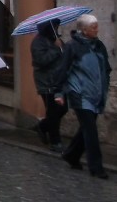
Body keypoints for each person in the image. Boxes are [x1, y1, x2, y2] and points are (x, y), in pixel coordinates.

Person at [55, 13, 111, 179]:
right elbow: (62, 70)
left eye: (97, 26)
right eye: (94, 27)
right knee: (91, 131)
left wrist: (105, 84)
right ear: (84, 30)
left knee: (87, 128)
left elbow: (106, 67)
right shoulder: (73, 47)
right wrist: (59, 92)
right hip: (79, 93)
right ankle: (96, 167)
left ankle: (71, 154)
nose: (97, 30)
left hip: (96, 94)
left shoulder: (99, 45)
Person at [31, 18, 67, 152]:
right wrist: (56, 50)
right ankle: (55, 141)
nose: (56, 29)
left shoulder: (57, 39)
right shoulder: (38, 42)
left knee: (63, 108)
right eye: (54, 26)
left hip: (60, 81)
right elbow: (41, 60)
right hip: (47, 82)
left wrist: (63, 48)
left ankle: (43, 126)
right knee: (53, 111)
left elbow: (65, 55)